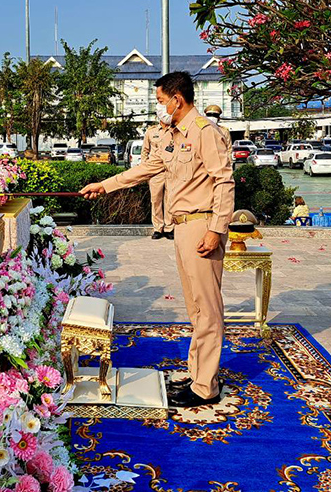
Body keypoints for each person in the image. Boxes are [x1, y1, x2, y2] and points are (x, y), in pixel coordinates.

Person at [80, 71, 234, 408]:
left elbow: (224, 181)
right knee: (195, 307)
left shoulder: (205, 132)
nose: (159, 107)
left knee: (207, 309)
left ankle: (205, 388)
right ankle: (199, 376)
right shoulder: (173, 136)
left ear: (177, 99)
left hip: (202, 225)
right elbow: (146, 169)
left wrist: (216, 229)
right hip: (182, 227)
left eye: (161, 101)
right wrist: (104, 186)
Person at [142, 119, 174, 240]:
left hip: (170, 170)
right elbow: (145, 151)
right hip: (155, 171)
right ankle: (158, 228)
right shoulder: (151, 131)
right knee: (156, 200)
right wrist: (146, 169)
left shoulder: (174, 130)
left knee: (170, 200)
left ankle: (169, 228)